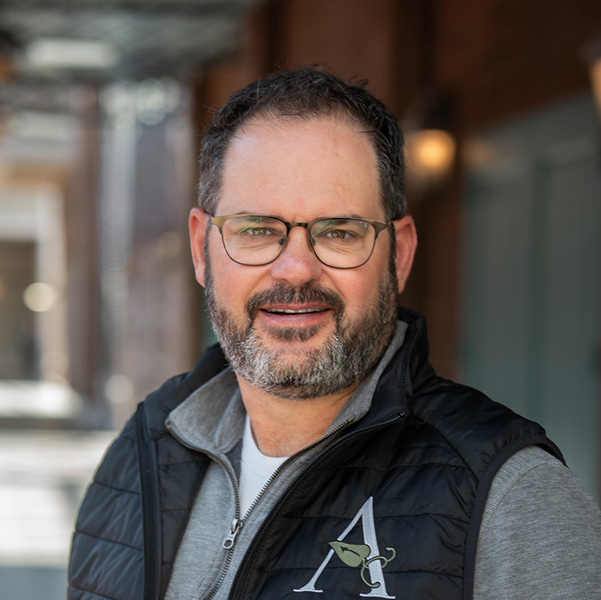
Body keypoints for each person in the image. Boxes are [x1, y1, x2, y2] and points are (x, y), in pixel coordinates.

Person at [68, 67, 601, 600]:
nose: (295, 269)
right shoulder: (141, 452)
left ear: (400, 254)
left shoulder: (510, 498)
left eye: (339, 232)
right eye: (256, 230)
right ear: (200, 248)